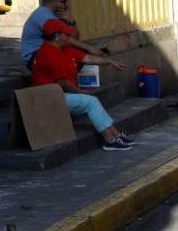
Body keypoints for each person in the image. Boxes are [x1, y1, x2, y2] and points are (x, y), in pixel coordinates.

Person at [30, 19, 131, 150]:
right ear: (56, 37)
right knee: (90, 102)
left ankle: (115, 135)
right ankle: (110, 140)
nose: (69, 38)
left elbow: (88, 58)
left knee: (91, 101)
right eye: (66, 35)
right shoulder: (49, 53)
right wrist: (80, 92)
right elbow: (63, 82)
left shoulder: (64, 49)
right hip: (49, 98)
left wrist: (110, 61)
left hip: (61, 93)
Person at [20, 0, 105, 70]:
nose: (66, 5)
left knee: (79, 53)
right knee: (78, 54)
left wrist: (72, 22)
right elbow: (64, 39)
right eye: (63, 2)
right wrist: (89, 48)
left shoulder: (56, 16)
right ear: (53, 2)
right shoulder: (44, 15)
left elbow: (75, 38)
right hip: (33, 58)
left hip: (46, 54)